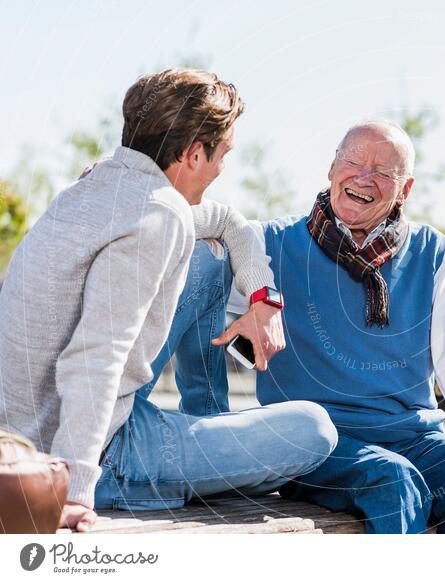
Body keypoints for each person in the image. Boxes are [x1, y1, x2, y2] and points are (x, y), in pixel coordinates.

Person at [0, 69, 336, 533]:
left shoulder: (102, 186)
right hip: (97, 454)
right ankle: (170, 465)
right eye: (224, 155)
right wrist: (71, 490)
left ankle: (207, 421)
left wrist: (263, 296)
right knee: (315, 429)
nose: (222, 169)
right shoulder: (159, 214)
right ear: (195, 154)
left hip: (45, 423)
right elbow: (95, 357)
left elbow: (230, 223)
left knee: (210, 259)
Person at [225, 119, 445, 533]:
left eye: (385, 172)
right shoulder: (265, 246)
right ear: (331, 168)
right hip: (313, 445)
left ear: (406, 190)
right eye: (353, 160)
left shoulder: (432, 253)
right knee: (395, 482)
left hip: (412, 440)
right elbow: (193, 247)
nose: (364, 178)